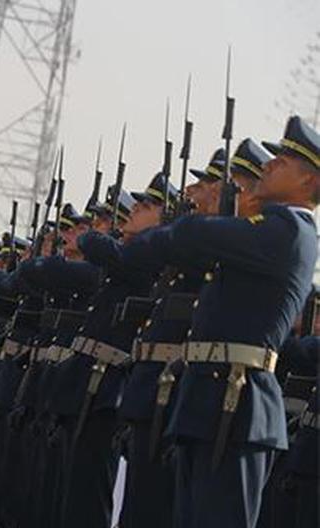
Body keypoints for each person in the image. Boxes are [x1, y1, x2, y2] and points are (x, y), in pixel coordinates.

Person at [138, 115, 319, 527]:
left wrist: (188, 225)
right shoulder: (263, 230)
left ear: (309, 182)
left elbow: (192, 236)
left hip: (236, 407)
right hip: (207, 402)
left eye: (285, 160)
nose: (270, 164)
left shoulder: (289, 230)